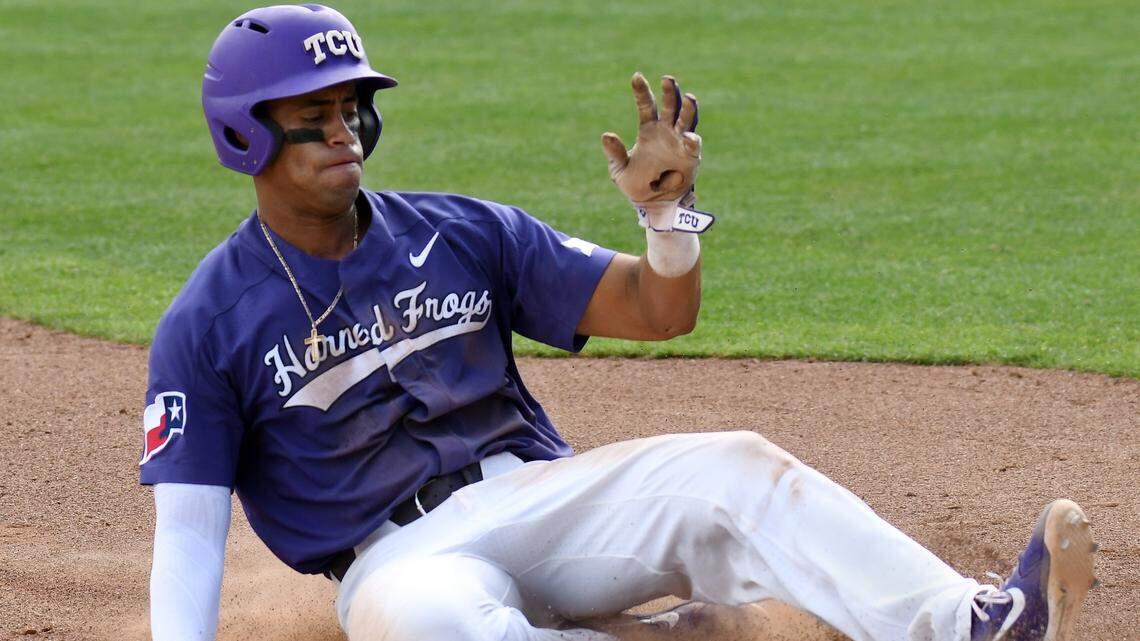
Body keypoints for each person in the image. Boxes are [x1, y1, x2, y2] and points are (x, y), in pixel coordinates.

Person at [141, 5, 1098, 641]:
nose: (345, 128)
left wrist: (664, 220)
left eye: (353, 105)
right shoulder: (209, 320)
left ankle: (974, 623)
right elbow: (190, 533)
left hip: (547, 502)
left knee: (734, 461)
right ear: (246, 133)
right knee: (427, 621)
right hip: (395, 561)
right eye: (314, 112)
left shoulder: (462, 231)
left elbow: (657, 309)